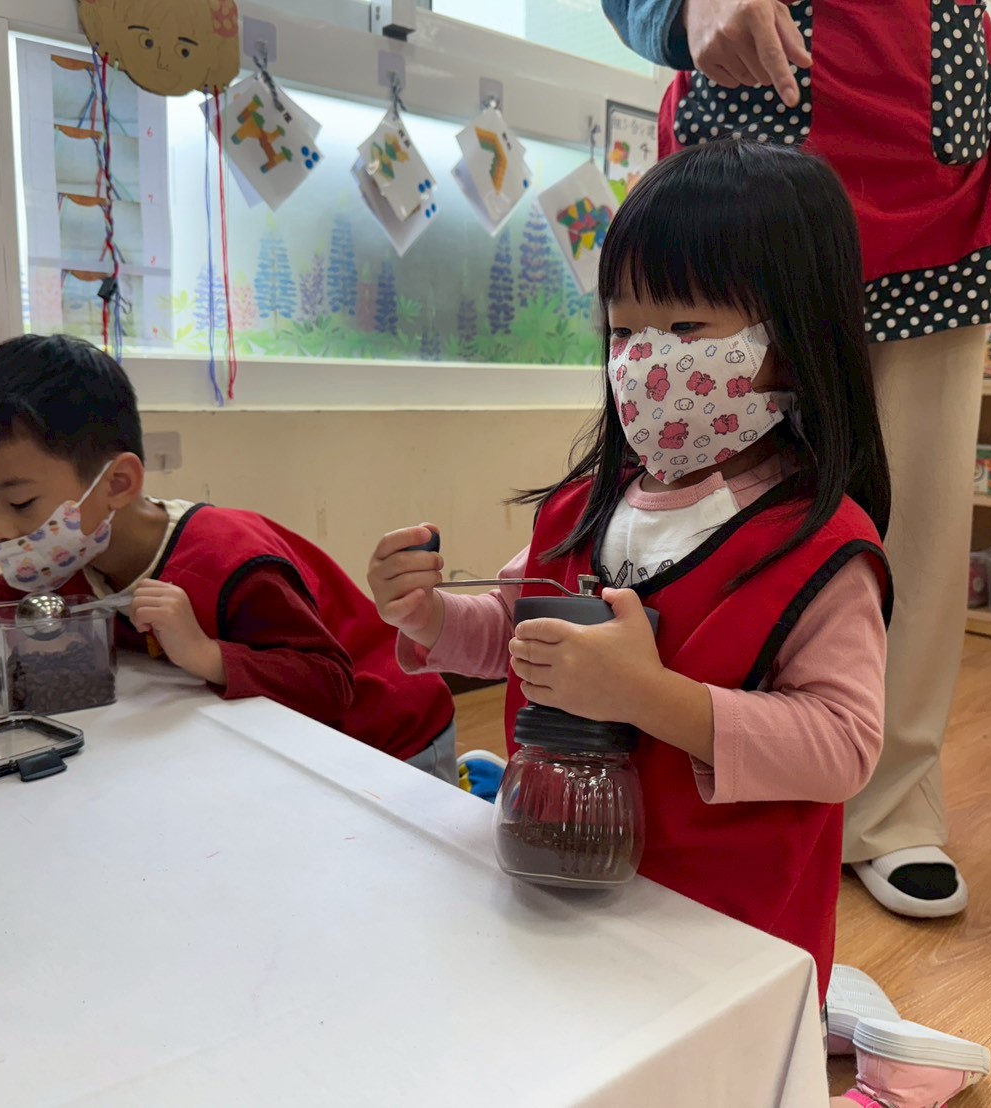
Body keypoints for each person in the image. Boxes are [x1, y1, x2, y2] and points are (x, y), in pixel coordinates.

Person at [374, 138, 889, 1008]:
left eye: (685, 330)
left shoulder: (819, 546)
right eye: (622, 330)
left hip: (717, 936)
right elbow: (511, 634)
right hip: (555, 880)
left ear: (796, 339)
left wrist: (649, 697)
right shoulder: (581, 508)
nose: (645, 360)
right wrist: (428, 617)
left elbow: (841, 746)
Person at [603, 0, 991, 919]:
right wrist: (671, 9)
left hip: (926, 153)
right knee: (688, 490)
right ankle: (657, 750)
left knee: (908, 523)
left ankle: (887, 802)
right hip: (742, 160)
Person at [0, 333, 457, 779]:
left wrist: (205, 654)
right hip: (276, 739)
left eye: (21, 503)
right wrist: (60, 624)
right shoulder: (69, 558)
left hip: (386, 739)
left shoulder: (229, 560)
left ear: (117, 483)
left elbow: (328, 685)